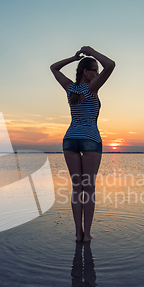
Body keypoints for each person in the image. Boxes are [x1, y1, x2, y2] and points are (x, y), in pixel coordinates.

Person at [50, 46, 115, 242]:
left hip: (70, 140)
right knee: (89, 188)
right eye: (94, 69)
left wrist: (73, 57)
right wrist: (91, 51)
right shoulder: (92, 87)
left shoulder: (70, 88)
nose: (97, 72)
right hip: (89, 140)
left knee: (77, 188)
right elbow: (111, 65)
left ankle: (78, 233)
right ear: (86, 72)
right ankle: (86, 235)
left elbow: (53, 68)